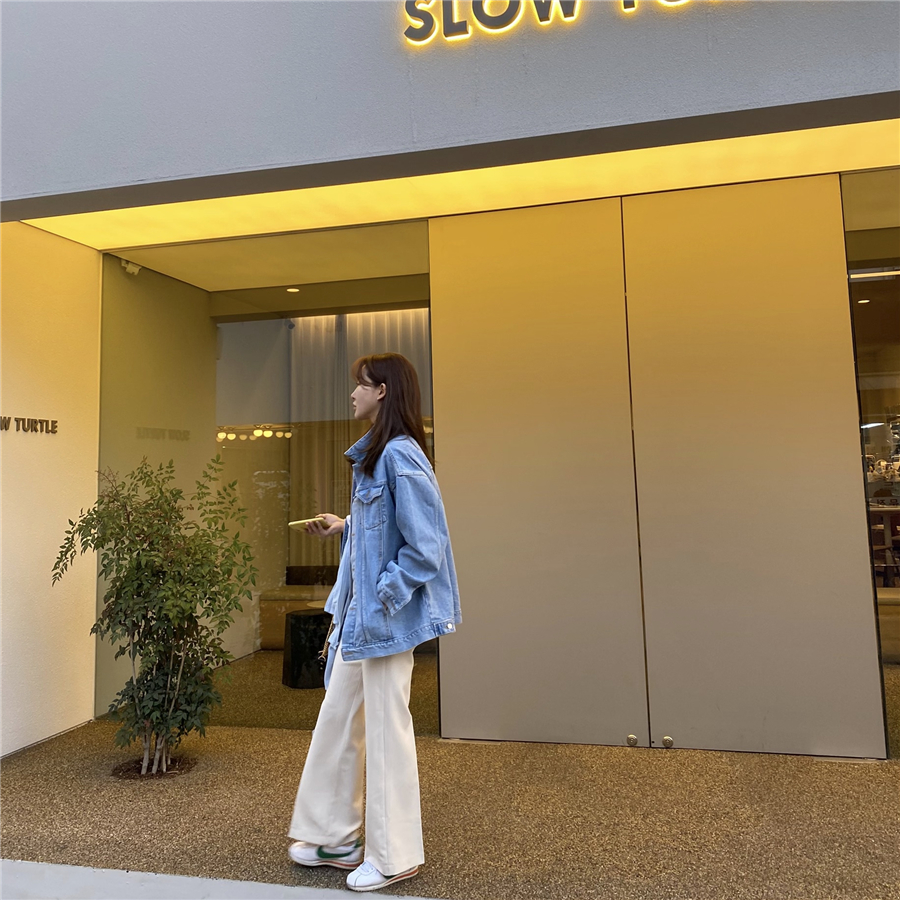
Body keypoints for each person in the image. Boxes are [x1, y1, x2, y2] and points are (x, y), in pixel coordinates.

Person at [287, 352, 461, 893]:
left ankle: (394, 856)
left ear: (382, 391)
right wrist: (344, 526)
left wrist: (386, 592)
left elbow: (427, 547)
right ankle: (334, 838)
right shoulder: (377, 453)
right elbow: (384, 528)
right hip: (359, 620)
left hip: (382, 621)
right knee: (338, 720)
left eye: (360, 384)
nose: (353, 393)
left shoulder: (401, 455)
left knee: (387, 733)